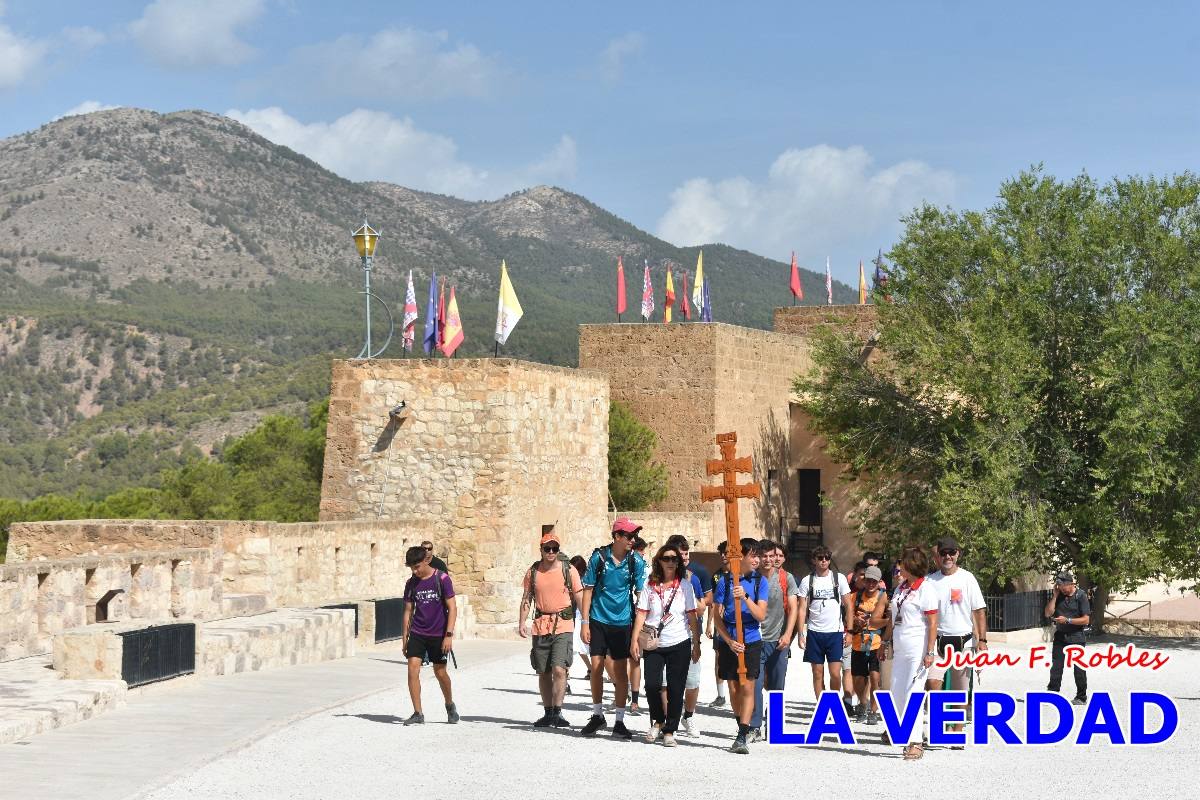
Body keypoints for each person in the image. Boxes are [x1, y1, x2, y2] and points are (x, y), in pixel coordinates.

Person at [580, 517, 648, 738]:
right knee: (597, 668)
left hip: (622, 623)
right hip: (598, 620)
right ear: (617, 536)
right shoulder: (599, 558)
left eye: (634, 536)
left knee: (620, 673)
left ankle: (619, 721)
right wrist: (585, 623)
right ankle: (598, 715)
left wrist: (640, 627)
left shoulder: (635, 562)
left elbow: (640, 594)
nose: (633, 540)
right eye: (629, 536)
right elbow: (588, 590)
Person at [630, 544, 702, 747]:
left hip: (679, 641)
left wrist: (696, 644)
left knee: (676, 688)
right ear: (659, 561)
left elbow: (692, 616)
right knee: (652, 684)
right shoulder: (649, 586)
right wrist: (634, 640)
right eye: (667, 558)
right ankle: (658, 720)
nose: (671, 562)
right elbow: (641, 613)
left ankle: (670, 730)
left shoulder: (685, 586)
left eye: (674, 559)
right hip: (654, 642)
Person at [924, 537, 988, 737]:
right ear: (938, 556)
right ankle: (940, 725)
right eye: (944, 553)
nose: (948, 557)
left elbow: (979, 611)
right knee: (933, 683)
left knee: (960, 691)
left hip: (963, 641)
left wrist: (982, 641)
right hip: (939, 641)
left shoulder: (967, 578)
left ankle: (957, 732)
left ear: (958, 553)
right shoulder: (930, 581)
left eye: (952, 553)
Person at [519, 530, 583, 728]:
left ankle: (558, 711)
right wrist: (522, 622)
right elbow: (526, 598)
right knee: (543, 671)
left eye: (555, 548)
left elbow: (579, 595)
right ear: (541, 550)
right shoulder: (533, 572)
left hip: (563, 624)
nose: (551, 551)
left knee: (559, 668)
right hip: (540, 625)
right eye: (547, 548)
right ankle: (548, 713)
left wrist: (587, 622)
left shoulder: (568, 569)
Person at [712, 538, 769, 754]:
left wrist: (744, 597)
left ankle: (743, 733)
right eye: (753, 555)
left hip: (751, 638)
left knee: (748, 686)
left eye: (758, 555)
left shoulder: (759, 582)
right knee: (734, 688)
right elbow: (717, 617)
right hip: (729, 639)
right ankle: (740, 724)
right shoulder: (724, 582)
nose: (757, 560)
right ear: (741, 557)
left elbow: (761, 615)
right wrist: (728, 640)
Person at [884, 544, 939, 759]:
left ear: (911, 566)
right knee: (897, 692)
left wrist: (930, 652)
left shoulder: (926, 590)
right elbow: (893, 618)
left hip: (918, 648)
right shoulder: (901, 588)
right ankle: (901, 731)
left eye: (902, 565)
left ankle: (916, 742)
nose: (899, 569)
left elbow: (933, 623)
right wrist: (885, 642)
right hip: (900, 647)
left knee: (913, 693)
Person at [401, 545, 459, 725]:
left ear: (426, 560)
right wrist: (405, 638)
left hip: (439, 634)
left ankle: (449, 705)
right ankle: (418, 713)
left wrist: (448, 635)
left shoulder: (441, 579)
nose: (415, 571)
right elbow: (408, 611)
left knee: (440, 672)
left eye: (417, 566)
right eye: (411, 568)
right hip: (418, 632)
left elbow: (452, 607)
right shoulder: (411, 583)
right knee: (412, 669)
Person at [749, 539, 799, 742]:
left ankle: (774, 726)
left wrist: (788, 634)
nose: (769, 560)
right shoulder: (751, 579)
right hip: (756, 640)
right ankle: (754, 726)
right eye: (765, 556)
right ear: (758, 558)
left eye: (772, 556)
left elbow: (794, 608)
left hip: (778, 640)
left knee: (777, 686)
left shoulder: (786, 579)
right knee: (756, 684)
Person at [665, 534, 712, 738]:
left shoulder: (694, 576)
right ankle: (668, 723)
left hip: (690, 635)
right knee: (666, 683)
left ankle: (689, 715)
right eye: (680, 554)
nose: (684, 558)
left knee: (692, 682)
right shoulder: (659, 578)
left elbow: (702, 607)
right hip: (666, 635)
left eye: (686, 553)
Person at [796, 546, 852, 701]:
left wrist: (850, 631)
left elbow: (848, 605)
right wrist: (801, 634)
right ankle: (822, 706)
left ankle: (833, 703)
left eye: (827, 558)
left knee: (835, 673)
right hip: (814, 633)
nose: (824, 561)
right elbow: (801, 609)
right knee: (817, 673)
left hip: (835, 633)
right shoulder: (807, 580)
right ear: (814, 560)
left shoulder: (838, 578)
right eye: (820, 558)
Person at [848, 564, 888, 724]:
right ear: (864, 581)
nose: (871, 584)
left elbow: (890, 619)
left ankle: (873, 710)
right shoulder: (855, 597)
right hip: (858, 642)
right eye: (869, 581)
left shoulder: (883, 597)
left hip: (876, 643)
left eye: (874, 581)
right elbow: (848, 618)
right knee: (858, 679)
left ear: (879, 582)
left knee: (875, 677)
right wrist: (855, 621)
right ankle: (863, 704)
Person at [1044, 572, 1090, 705]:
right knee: (1056, 667)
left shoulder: (1081, 596)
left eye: (1063, 585)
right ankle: (1053, 694)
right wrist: (1055, 596)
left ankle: (1081, 697)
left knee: (1079, 669)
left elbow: (1086, 619)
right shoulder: (1058, 596)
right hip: (1060, 637)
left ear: (1071, 583)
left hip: (1076, 637)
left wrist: (1068, 620)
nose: (1061, 588)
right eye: (1059, 585)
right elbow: (1048, 613)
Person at [707, 541, 733, 708]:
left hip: (737, 623)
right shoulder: (716, 576)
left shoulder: (743, 574)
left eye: (726, 553)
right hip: (721, 623)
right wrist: (710, 624)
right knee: (719, 657)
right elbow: (713, 603)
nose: (723, 556)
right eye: (721, 553)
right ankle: (721, 695)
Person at [626, 534, 650, 716]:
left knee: (634, 658)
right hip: (622, 614)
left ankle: (634, 699)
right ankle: (624, 690)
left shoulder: (645, 567)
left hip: (638, 616)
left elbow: (643, 592)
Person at [570, 555, 591, 683]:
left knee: (584, 647)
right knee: (575, 647)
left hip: (583, 617)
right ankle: (590, 669)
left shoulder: (586, 581)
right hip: (575, 616)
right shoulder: (571, 579)